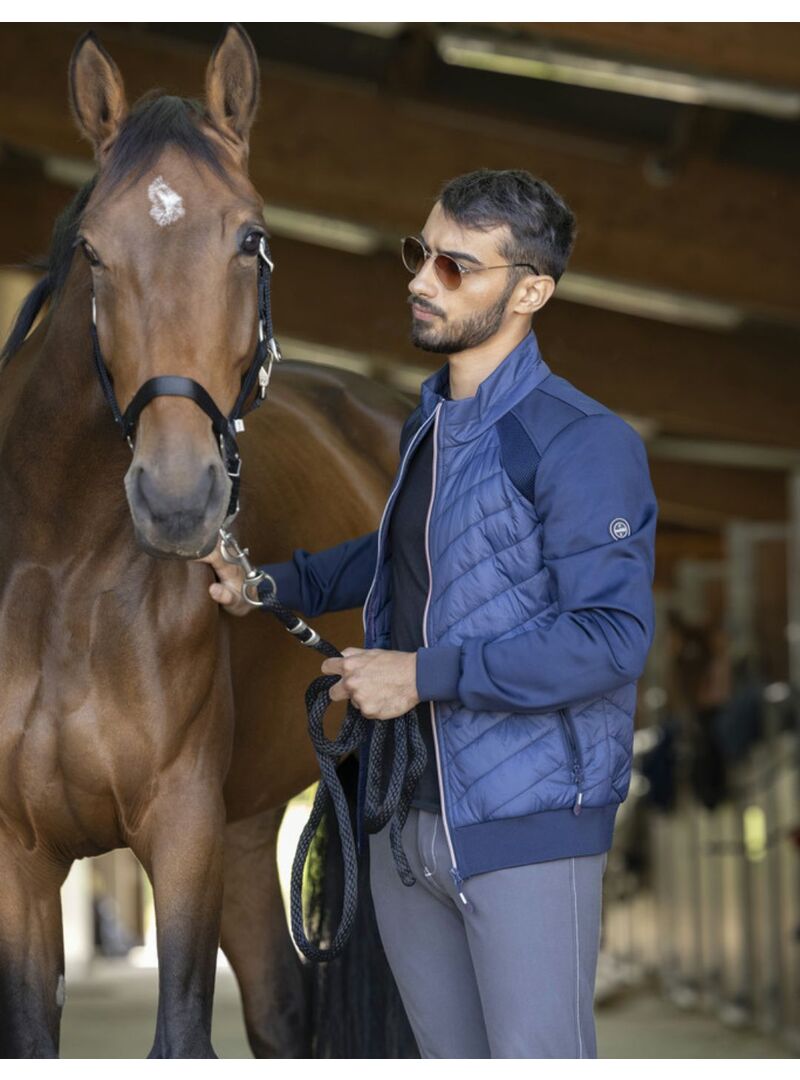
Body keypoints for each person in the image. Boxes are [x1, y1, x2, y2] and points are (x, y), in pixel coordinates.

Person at [200, 168, 658, 1058]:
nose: (420, 279)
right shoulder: (433, 427)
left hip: (523, 826)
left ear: (530, 292)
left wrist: (419, 676)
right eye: (422, 253)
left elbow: (610, 641)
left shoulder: (581, 442)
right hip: (405, 819)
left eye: (457, 266)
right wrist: (269, 584)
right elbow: (407, 556)